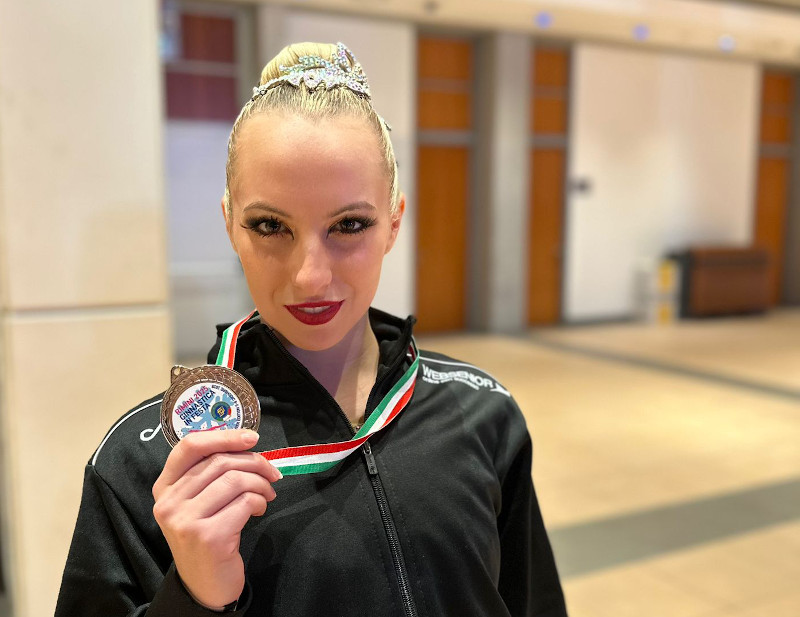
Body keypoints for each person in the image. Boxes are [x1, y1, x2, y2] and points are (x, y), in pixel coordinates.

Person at [56, 42, 567, 617]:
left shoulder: (482, 412)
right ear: (229, 224)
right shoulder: (144, 465)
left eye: (348, 225)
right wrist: (194, 599)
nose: (310, 277)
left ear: (394, 222)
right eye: (270, 226)